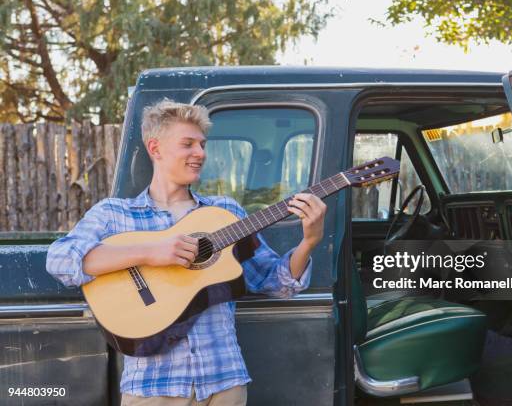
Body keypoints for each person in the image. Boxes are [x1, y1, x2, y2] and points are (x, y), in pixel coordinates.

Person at [46, 99, 327, 406]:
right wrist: (151, 252)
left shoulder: (225, 212)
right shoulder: (114, 214)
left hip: (224, 384)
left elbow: (278, 281)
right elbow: (60, 260)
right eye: (188, 144)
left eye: (203, 144)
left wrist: (309, 241)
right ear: (156, 149)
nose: (200, 153)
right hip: (153, 389)